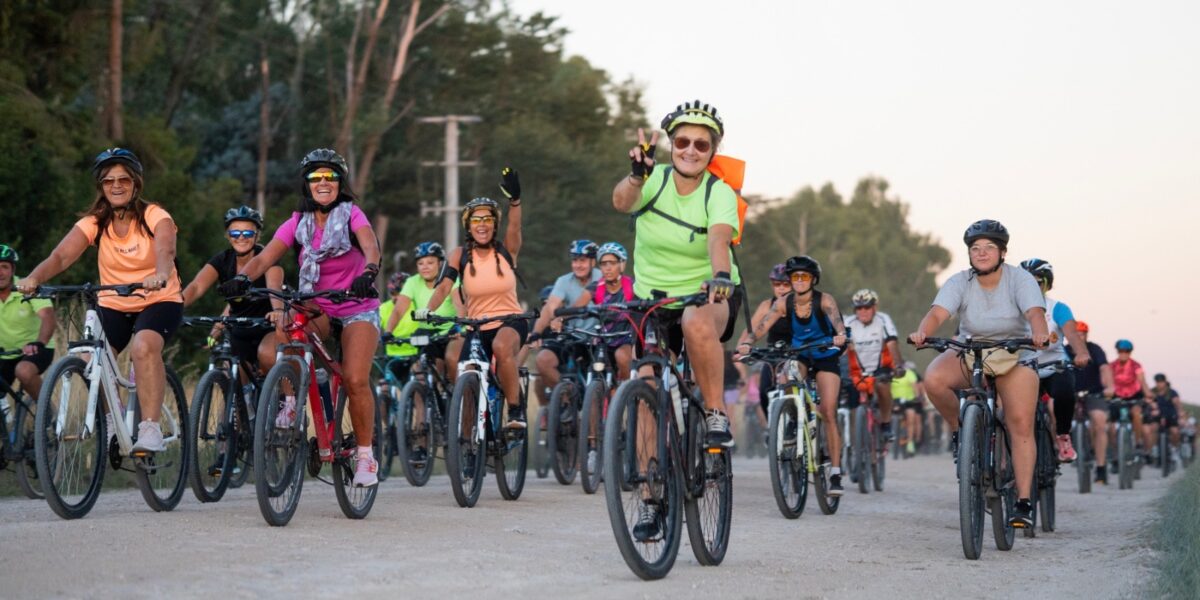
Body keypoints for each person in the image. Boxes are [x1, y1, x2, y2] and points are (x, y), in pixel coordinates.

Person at [219, 148, 383, 487]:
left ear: (340, 182)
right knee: (288, 324)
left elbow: (371, 246)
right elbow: (265, 258)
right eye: (315, 177)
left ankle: (366, 455)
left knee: (354, 379)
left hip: (356, 305)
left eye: (330, 176)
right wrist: (243, 278)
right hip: (317, 303)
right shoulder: (297, 222)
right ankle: (291, 401)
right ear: (306, 183)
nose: (323, 182)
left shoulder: (352, 214)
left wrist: (369, 271)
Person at [18, 148, 183, 454]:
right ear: (101, 186)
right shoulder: (95, 222)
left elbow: (166, 250)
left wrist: (160, 273)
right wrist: (34, 277)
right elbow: (61, 256)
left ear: (136, 183)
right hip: (114, 302)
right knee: (89, 358)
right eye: (108, 181)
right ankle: (112, 419)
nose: (116, 186)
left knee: (143, 347)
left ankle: (150, 427)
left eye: (123, 179)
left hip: (159, 299)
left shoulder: (154, 215)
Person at [613, 99, 743, 450]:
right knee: (646, 385)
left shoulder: (718, 192)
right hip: (653, 300)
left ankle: (715, 412)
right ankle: (648, 478)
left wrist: (720, 275)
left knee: (694, 321)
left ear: (712, 152)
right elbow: (621, 202)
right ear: (671, 145)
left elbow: (718, 238)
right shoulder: (653, 179)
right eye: (683, 142)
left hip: (708, 293)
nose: (690, 151)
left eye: (701, 145)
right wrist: (636, 176)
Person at [908, 219, 1049, 528]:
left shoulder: (1020, 280)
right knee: (934, 379)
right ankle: (963, 433)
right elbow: (938, 313)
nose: (982, 253)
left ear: (1003, 252)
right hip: (971, 348)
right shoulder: (960, 281)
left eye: (989, 247)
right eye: (975, 248)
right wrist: (922, 331)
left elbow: (1035, 313)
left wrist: (1039, 333)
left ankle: (1023, 501)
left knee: (1019, 424)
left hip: (1015, 350)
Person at [418, 168, 527, 429]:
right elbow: (444, 287)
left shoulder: (506, 250)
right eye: (476, 220)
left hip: (510, 321)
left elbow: (515, 226)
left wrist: (515, 201)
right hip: (476, 326)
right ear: (468, 225)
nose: (482, 224)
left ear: (494, 224)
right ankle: (466, 441)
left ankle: (515, 411)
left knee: (501, 347)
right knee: (465, 375)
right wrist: (428, 309)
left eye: (488, 219)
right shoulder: (459, 255)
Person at [750, 256, 848, 494]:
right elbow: (762, 325)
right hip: (801, 354)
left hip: (826, 354)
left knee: (828, 411)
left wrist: (841, 335)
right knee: (787, 376)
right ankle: (792, 420)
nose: (800, 280)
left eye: (805, 276)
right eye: (795, 276)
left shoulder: (824, 300)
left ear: (813, 279)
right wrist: (747, 343)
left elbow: (838, 323)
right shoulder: (784, 303)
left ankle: (835, 472)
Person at [181, 205, 285, 379]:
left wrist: (277, 311)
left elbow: (275, 287)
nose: (241, 238)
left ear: (257, 235)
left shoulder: (266, 257)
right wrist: (175, 305)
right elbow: (197, 286)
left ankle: (281, 394)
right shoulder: (222, 260)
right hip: (239, 329)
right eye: (235, 233)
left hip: (268, 328)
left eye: (248, 233)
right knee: (232, 374)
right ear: (228, 236)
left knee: (268, 358)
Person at [1019, 258, 1090, 463]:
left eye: (1037, 282)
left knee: (1066, 391)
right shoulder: (1011, 309)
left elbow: (1072, 334)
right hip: (1021, 368)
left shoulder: (1057, 308)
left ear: (1047, 284)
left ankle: (1063, 436)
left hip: (1052, 365)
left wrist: (1081, 353)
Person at [528, 240, 600, 411]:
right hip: (573, 336)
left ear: (593, 261)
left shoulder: (602, 277)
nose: (578, 265)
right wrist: (537, 332)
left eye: (582, 260)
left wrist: (562, 316)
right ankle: (568, 400)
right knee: (543, 360)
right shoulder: (563, 281)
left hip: (599, 337)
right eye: (575, 260)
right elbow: (550, 307)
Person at [383, 242, 464, 383]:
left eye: (430, 262)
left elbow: (459, 305)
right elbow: (398, 310)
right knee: (419, 373)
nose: (425, 267)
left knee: (451, 362)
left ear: (440, 263)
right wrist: (388, 331)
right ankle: (424, 395)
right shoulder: (412, 282)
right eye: (420, 263)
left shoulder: (450, 280)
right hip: (427, 334)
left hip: (451, 332)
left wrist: (460, 326)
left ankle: (455, 393)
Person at [569, 241, 636, 380]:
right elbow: (576, 307)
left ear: (622, 264)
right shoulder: (596, 287)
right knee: (590, 362)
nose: (608, 268)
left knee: (622, 357)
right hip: (604, 340)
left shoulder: (633, 286)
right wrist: (560, 318)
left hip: (627, 338)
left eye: (612, 263)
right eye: (604, 264)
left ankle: (624, 389)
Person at [734, 263, 792, 423]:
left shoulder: (799, 305)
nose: (781, 288)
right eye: (777, 284)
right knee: (763, 392)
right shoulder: (767, 305)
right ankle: (773, 429)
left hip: (798, 353)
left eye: (786, 284)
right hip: (773, 354)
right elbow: (751, 329)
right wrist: (740, 347)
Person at [843, 288, 902, 442]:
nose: (863, 311)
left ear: (874, 307)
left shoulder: (883, 319)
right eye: (859, 308)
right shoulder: (848, 323)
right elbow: (842, 348)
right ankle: (854, 442)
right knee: (849, 401)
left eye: (867, 307)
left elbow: (892, 343)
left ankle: (886, 423)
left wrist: (898, 366)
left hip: (880, 367)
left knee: (883, 386)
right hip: (856, 370)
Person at [0, 245, 56, 399]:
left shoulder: (27, 287)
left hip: (37, 349)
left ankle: (47, 410)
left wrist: (39, 342)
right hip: (4, 354)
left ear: (13, 270)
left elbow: (47, 316)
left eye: (4, 267)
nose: (0, 272)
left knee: (24, 371)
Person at [1066, 320, 1115, 484]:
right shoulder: (1064, 350)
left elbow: (1104, 368)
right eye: (1076, 334)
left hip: (1094, 392)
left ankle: (1101, 467)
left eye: (1082, 334)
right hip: (1071, 392)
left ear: (1087, 335)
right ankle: (1060, 447)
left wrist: (1110, 386)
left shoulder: (1095, 349)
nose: (1079, 337)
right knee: (1055, 412)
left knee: (1100, 422)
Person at [1109, 339, 1153, 461]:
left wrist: (1148, 394)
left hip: (1134, 396)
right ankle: (1115, 452)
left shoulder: (1136, 365)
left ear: (1130, 352)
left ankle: (1137, 442)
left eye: (1127, 351)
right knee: (1110, 425)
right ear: (1117, 351)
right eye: (1121, 351)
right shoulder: (1111, 366)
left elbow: (1142, 381)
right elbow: (1107, 381)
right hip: (1117, 396)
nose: (1124, 353)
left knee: (1136, 413)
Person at [1147, 373, 1184, 468]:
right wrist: (1151, 407)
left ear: (1165, 382)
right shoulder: (1152, 392)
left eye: (1161, 382)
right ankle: (1154, 449)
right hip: (1157, 416)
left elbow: (1177, 404)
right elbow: (1148, 402)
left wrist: (1180, 415)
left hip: (1170, 415)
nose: (1159, 384)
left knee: (1175, 431)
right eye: (1157, 382)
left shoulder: (1172, 392)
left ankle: (1174, 449)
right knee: (1153, 428)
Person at [891, 361, 926, 456]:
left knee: (911, 419)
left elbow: (914, 386)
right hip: (895, 401)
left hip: (909, 401)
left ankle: (910, 442)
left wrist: (917, 397)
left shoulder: (909, 374)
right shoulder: (891, 374)